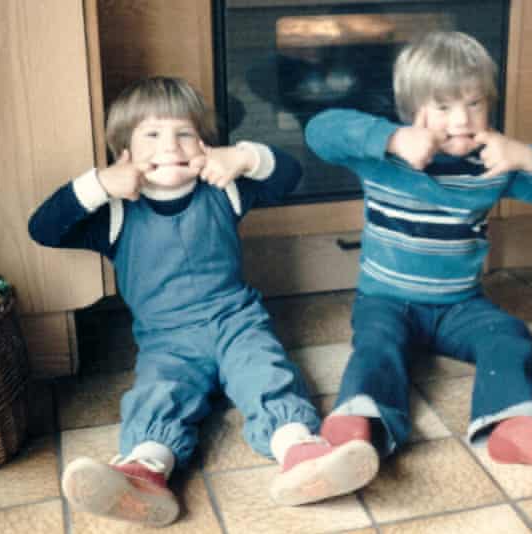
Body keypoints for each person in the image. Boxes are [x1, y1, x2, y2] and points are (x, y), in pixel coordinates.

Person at [28, 77, 377, 527]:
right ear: (124, 154)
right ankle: (145, 470)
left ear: (204, 146)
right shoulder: (115, 211)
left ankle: (300, 453)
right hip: (167, 339)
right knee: (159, 393)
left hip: (237, 322)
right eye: (151, 135)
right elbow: (44, 228)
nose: (169, 146)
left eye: (184, 134)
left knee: (265, 373)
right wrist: (100, 183)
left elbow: (289, 176)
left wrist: (246, 157)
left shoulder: (224, 188)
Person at [304, 31, 532, 492]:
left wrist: (531, 158)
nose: (462, 120)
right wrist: (392, 139)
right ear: (412, 110)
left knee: (509, 335)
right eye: (443, 107)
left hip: (459, 304)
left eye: (474, 104)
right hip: (385, 301)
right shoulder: (382, 157)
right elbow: (320, 131)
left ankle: (511, 422)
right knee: (377, 350)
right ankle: (360, 426)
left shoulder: (492, 166)